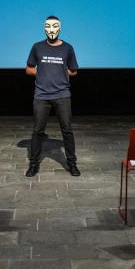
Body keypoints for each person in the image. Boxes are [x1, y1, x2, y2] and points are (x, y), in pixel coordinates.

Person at [25, 15, 80, 177]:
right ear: (44, 28)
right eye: (48, 26)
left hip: (62, 95)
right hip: (41, 96)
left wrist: (61, 72)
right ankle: (33, 164)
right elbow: (28, 69)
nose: (51, 30)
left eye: (55, 26)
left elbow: (74, 71)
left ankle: (72, 163)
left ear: (60, 28)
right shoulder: (37, 47)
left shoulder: (68, 48)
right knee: (37, 131)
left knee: (67, 131)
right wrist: (42, 72)